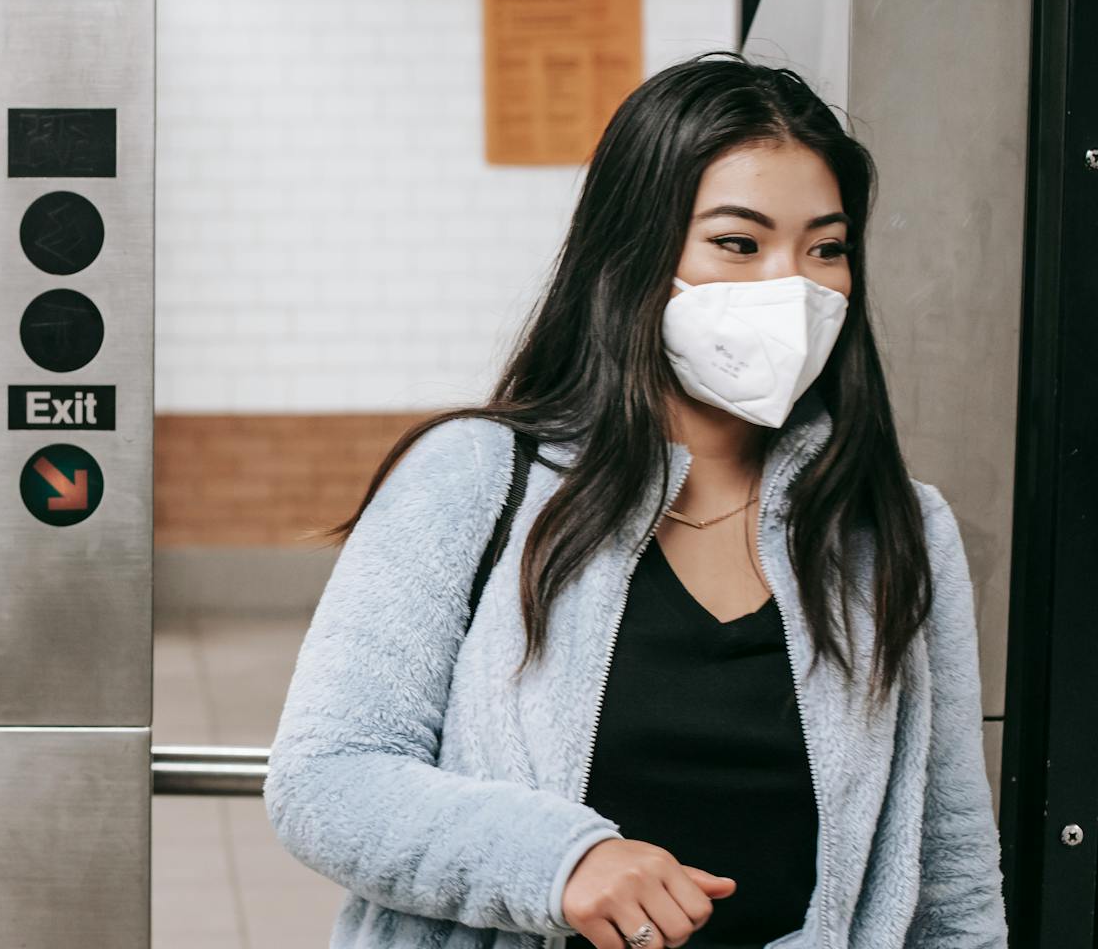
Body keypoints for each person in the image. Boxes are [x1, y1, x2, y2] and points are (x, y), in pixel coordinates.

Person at [265, 56, 1005, 949]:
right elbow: (328, 780)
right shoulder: (472, 477)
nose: (793, 286)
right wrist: (560, 862)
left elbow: (950, 876)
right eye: (739, 242)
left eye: (826, 247)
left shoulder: (893, 529)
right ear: (635, 255)